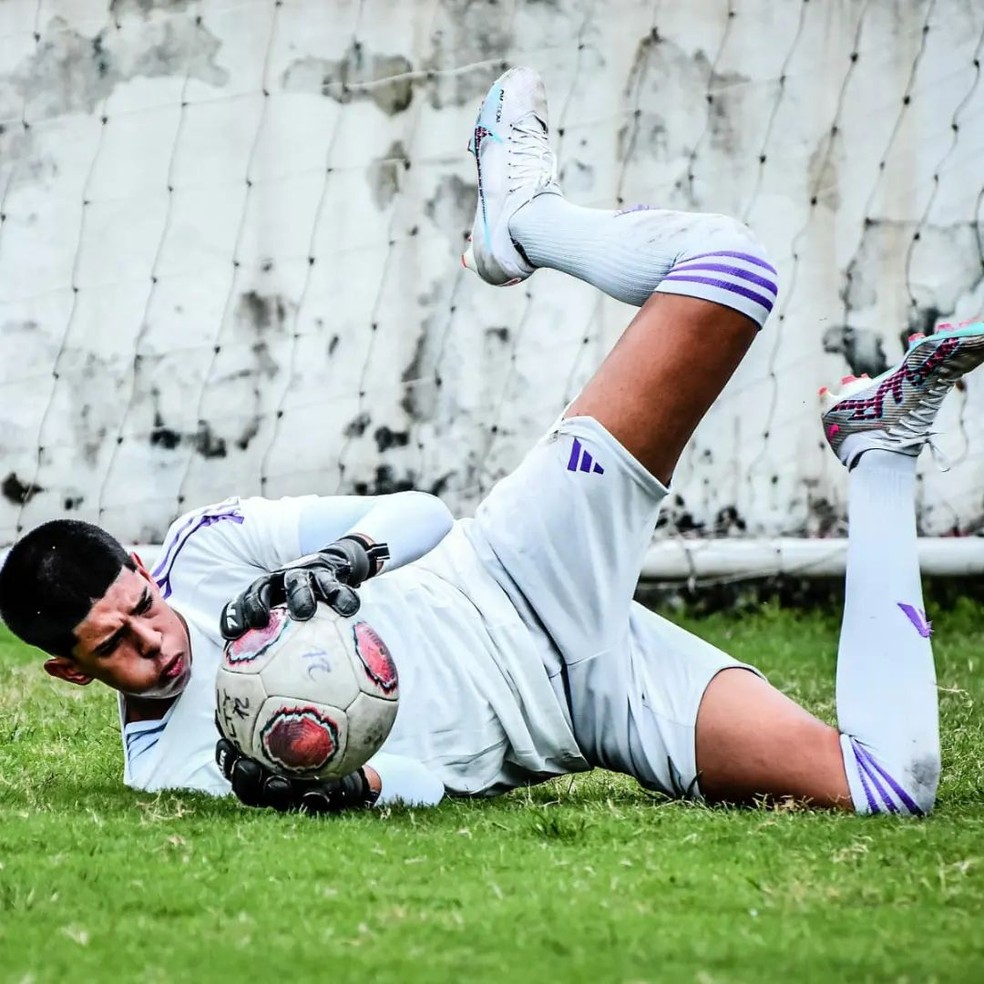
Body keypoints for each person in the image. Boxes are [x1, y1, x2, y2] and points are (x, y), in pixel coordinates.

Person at [1, 67, 978, 817]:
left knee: (733, 269)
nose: (155, 642)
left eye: (140, 608)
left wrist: (345, 556)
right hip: (591, 701)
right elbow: (428, 780)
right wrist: (351, 789)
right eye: (116, 650)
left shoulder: (206, 546)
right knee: (893, 787)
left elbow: (423, 514)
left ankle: (527, 220)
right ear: (72, 673)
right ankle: (882, 448)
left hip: (515, 568)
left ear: (140, 564)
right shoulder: (171, 774)